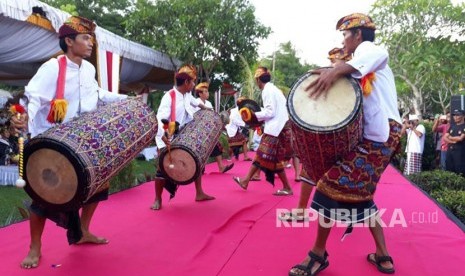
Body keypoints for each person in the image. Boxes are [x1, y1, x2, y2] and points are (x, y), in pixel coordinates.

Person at [10, 16, 128, 269]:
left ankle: (82, 231)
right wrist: (24, 118)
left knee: (98, 184)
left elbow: (96, 95)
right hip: (52, 141)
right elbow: (34, 98)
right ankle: (35, 247)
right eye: (86, 38)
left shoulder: (89, 69)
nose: (91, 44)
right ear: (69, 41)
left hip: (82, 139)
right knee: (42, 197)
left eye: (91, 39)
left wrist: (125, 100)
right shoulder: (52, 68)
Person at [289, 13, 402, 275]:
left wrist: (336, 69)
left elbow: (377, 55)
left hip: (382, 138)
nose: (344, 40)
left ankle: (317, 255)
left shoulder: (370, 49)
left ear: (358, 35)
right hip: (376, 138)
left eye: (345, 35)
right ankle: (382, 254)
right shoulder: (359, 68)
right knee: (362, 194)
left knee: (328, 185)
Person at [281, 47, 352, 222]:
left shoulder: (354, 80)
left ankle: (342, 213)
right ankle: (301, 211)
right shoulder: (333, 77)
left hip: (345, 136)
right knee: (308, 169)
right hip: (324, 130)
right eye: (331, 62)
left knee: (342, 176)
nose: (331, 65)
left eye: (335, 62)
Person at [150, 65, 215, 211]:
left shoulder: (187, 95)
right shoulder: (169, 96)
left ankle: (199, 193)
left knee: (196, 160)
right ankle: (157, 199)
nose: (193, 85)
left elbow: (196, 102)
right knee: (162, 169)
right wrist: (164, 134)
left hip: (184, 135)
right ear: (186, 83)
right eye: (192, 82)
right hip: (167, 136)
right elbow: (160, 118)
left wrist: (206, 109)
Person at [233, 67, 293, 195]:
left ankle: (246, 180)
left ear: (258, 80)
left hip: (276, 128)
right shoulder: (273, 89)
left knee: (261, 154)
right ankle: (247, 180)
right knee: (268, 157)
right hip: (279, 127)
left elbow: (270, 112)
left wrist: (254, 115)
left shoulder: (267, 90)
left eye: (256, 81)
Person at [194, 82, 234, 174]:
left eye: (207, 91)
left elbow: (212, 115)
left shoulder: (208, 103)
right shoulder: (196, 102)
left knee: (216, 145)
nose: (208, 93)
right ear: (200, 94)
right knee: (201, 150)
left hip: (208, 130)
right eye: (205, 91)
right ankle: (200, 169)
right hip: (199, 130)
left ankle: (221, 167)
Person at [444, 109, 465, 176]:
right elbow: (444, 137)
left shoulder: (463, 126)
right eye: (454, 115)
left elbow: (460, 138)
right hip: (450, 151)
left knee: (459, 171)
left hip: (460, 152)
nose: (455, 117)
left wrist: (450, 137)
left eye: (457, 115)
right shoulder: (452, 126)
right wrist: (452, 141)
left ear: (463, 116)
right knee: (449, 169)